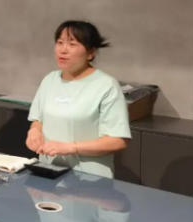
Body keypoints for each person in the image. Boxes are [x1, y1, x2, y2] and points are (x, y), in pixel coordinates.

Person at [26, 21, 131, 178]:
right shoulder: (50, 80)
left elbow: (118, 140)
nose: (63, 50)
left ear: (90, 53)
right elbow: (38, 119)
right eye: (60, 42)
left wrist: (71, 147)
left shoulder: (106, 85)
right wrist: (34, 131)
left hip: (89, 179)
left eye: (72, 44)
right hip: (49, 172)